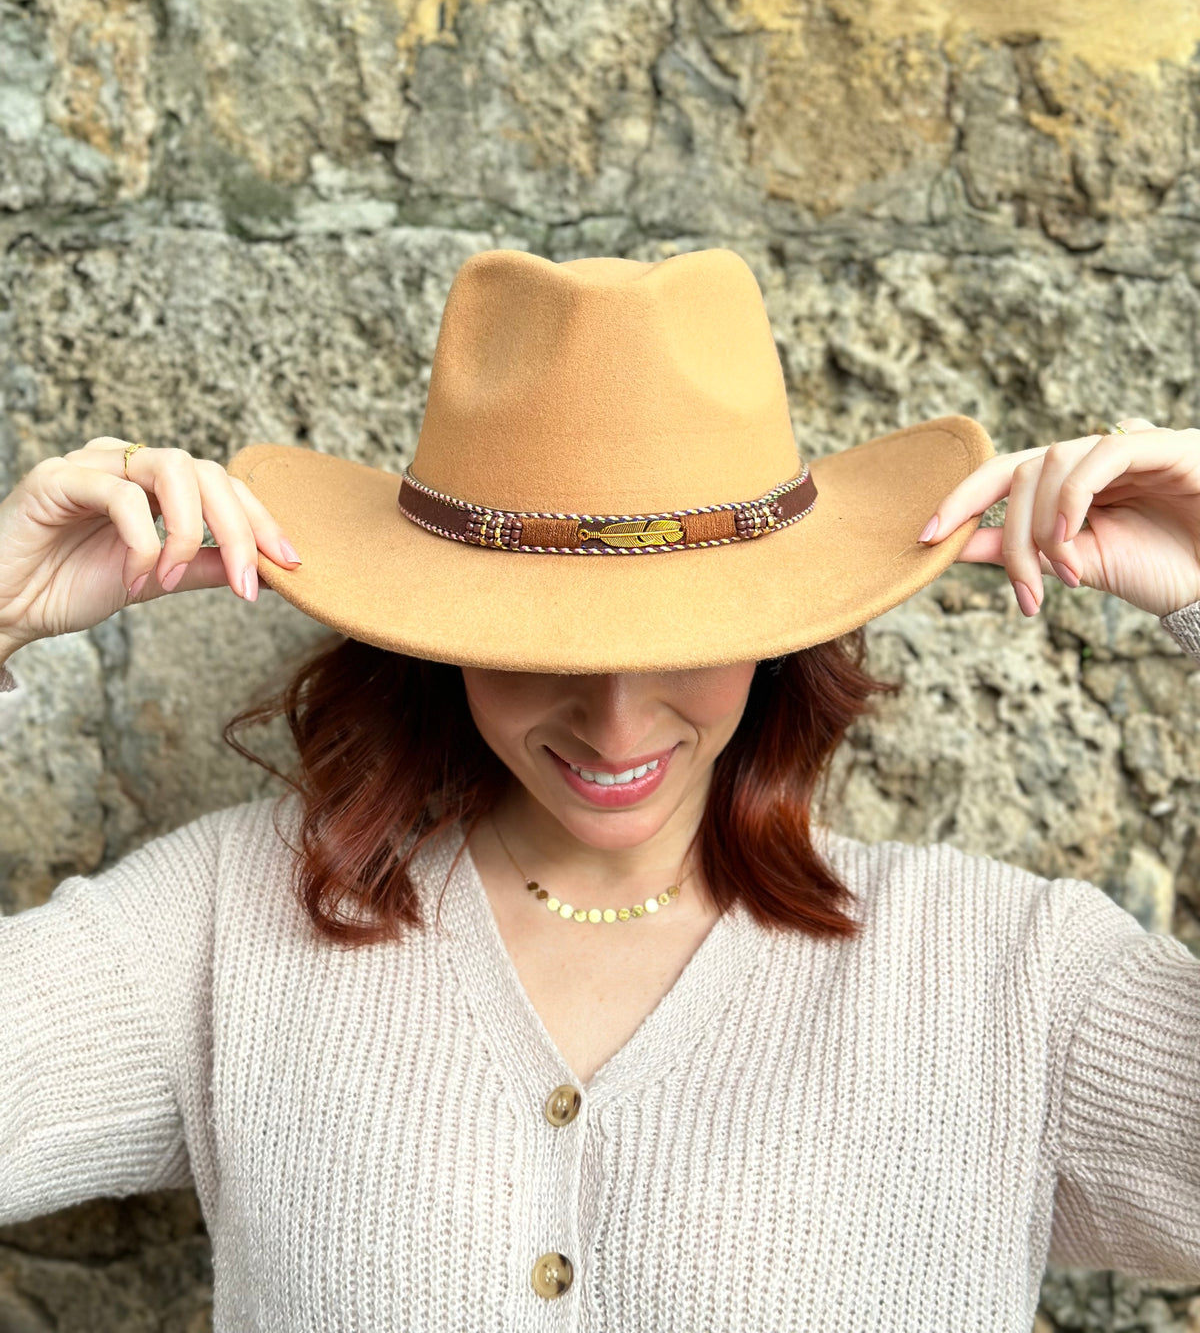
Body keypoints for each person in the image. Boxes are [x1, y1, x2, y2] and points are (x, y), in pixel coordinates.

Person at [0, 245, 1198, 1333]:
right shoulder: (228, 926)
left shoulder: (1007, 982)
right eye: (543, 641)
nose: (617, 718)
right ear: (436, 624)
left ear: (783, 631)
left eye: (692, 633)